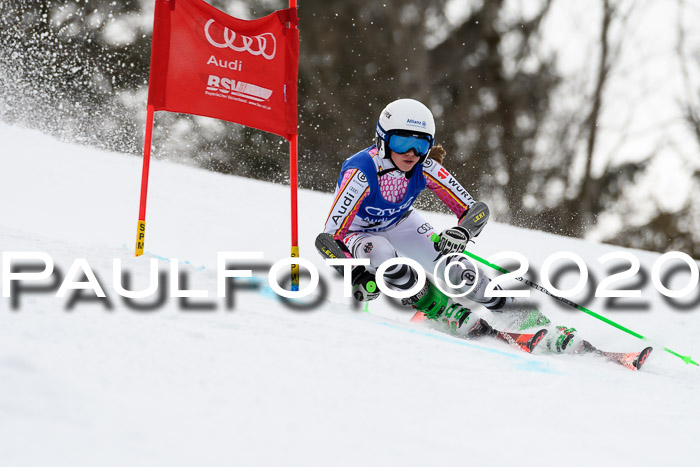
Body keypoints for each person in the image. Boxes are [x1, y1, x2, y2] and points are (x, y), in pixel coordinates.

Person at [317, 98, 576, 352]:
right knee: (385, 256)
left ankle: (520, 315)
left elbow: (475, 210)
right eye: (401, 141)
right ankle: (440, 309)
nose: (411, 152)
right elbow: (328, 238)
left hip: (400, 222)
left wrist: (462, 231)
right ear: (382, 140)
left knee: (457, 270)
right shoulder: (362, 171)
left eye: (420, 144)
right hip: (358, 233)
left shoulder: (425, 166)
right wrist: (356, 273)